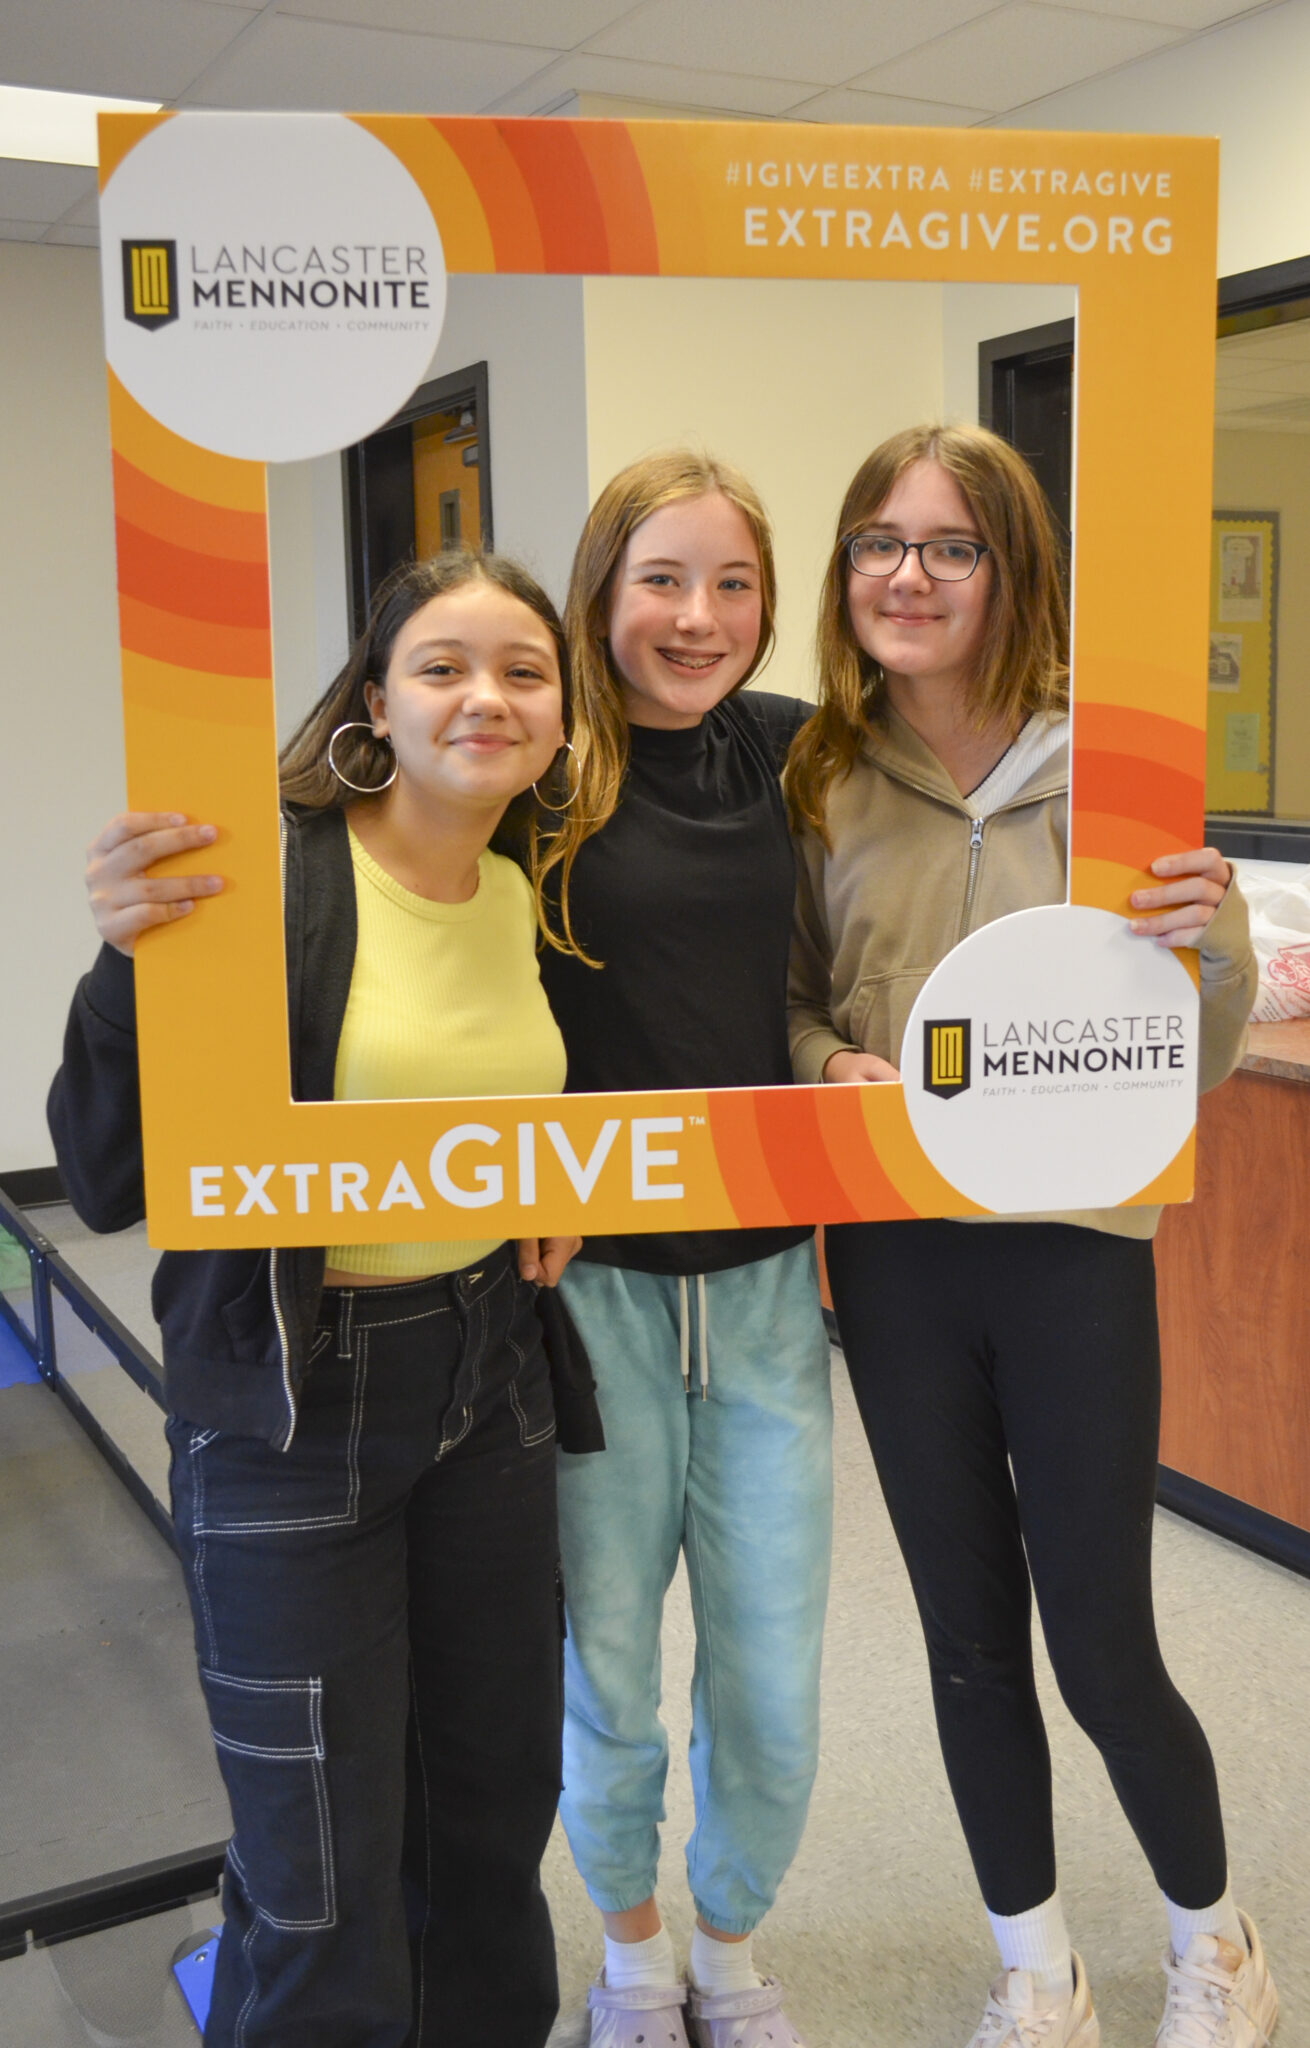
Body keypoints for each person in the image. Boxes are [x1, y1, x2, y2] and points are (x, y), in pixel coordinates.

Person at [48, 549, 603, 2048]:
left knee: (490, 1823)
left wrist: (542, 1178)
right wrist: (124, 967)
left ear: (561, 715)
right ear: (375, 701)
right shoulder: (269, 873)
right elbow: (105, 1175)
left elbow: (522, 1104)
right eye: (441, 666)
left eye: (524, 671)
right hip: (295, 1400)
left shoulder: (523, 888)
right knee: (317, 1876)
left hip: (488, 1378)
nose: (485, 696)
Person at [787, 423, 1276, 2048]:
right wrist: (824, 1061)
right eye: (877, 542)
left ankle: (1214, 1946)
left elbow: (1185, 1061)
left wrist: (1212, 948)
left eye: (949, 546)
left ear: (1011, 572)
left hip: (1071, 1250)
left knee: (1103, 1643)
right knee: (963, 1640)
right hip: (901, 1253)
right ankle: (1034, 1965)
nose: (906, 576)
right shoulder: (819, 779)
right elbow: (787, 999)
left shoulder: (1115, 765)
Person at [535, 452, 831, 2048]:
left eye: (731, 584)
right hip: (588, 1298)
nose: (697, 615)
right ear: (601, 589)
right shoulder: (538, 773)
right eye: (661, 578)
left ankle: (728, 1942)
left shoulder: (793, 756)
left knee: (773, 1678)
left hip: (774, 1289)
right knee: (609, 1666)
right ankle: (634, 1953)